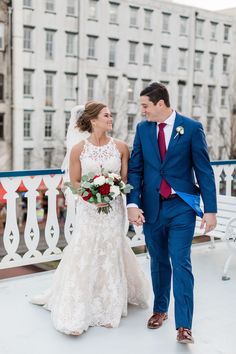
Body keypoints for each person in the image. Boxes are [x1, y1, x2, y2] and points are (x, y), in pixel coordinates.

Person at [30, 101, 149, 336]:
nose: (111, 118)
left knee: (111, 248)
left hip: (114, 209)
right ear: (93, 120)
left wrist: (113, 190)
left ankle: (109, 305)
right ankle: (79, 304)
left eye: (111, 114)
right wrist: (91, 196)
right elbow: (74, 182)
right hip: (89, 209)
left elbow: (126, 180)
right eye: (107, 115)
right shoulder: (78, 149)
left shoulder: (122, 147)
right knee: (87, 248)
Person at [127, 82, 217, 344]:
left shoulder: (191, 128)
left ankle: (184, 326)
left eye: (145, 106)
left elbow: (204, 170)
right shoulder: (143, 129)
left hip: (181, 207)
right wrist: (133, 203)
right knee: (158, 261)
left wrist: (209, 210)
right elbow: (135, 169)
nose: (142, 111)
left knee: (180, 261)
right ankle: (160, 309)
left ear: (160, 104)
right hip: (152, 207)